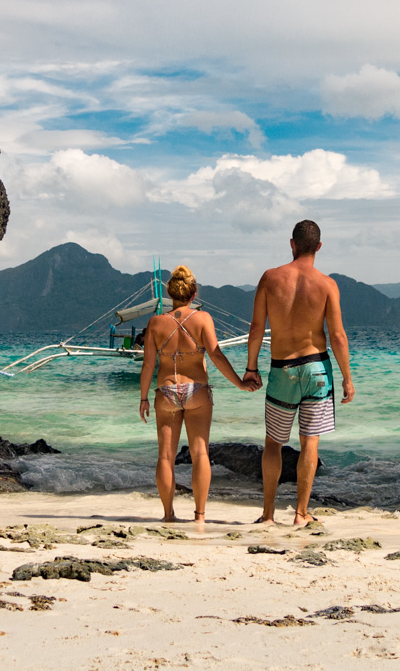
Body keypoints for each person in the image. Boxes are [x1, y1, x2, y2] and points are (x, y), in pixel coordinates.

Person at [245, 220, 355, 525]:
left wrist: (251, 368)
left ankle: (267, 514)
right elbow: (338, 337)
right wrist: (347, 377)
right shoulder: (327, 284)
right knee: (310, 442)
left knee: (273, 444)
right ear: (319, 247)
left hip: (282, 369)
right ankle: (300, 513)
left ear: (291, 244)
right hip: (317, 368)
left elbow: (256, 329)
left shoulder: (270, 278)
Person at [139, 265, 257, 524]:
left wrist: (144, 397)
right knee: (200, 453)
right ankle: (200, 516)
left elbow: (148, 365)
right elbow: (215, 355)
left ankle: (168, 515)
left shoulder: (155, 323)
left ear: (171, 294)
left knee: (165, 456)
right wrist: (239, 382)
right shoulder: (203, 319)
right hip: (197, 391)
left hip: (167, 391)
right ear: (193, 295)